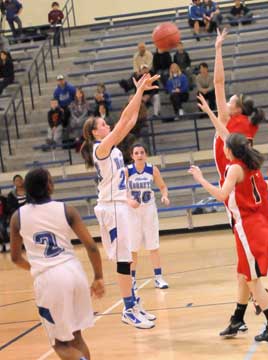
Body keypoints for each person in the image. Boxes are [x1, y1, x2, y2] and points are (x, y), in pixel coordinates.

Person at [81, 73, 160, 329]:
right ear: (95, 132)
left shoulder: (113, 148)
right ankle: (128, 309)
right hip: (111, 208)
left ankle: (133, 304)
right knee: (124, 260)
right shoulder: (100, 149)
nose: (107, 126)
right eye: (103, 125)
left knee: (129, 258)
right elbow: (125, 119)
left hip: (120, 205)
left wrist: (139, 94)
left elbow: (132, 119)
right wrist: (137, 92)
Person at [189, 95, 268, 342]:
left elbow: (223, 195)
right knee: (245, 274)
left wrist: (201, 180)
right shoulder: (248, 159)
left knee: (254, 280)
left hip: (248, 226)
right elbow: (225, 133)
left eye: (225, 144)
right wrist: (211, 114)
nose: (221, 145)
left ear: (230, 150)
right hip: (252, 223)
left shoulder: (235, 168)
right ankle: (237, 318)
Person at [10, 167, 105, 359]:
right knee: (77, 336)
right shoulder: (66, 209)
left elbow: (15, 258)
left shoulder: (17, 217)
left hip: (49, 280)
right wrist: (98, 277)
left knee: (60, 344)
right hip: (74, 273)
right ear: (49, 186)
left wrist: (34, 268)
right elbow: (92, 247)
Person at [212, 28, 266, 337]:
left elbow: (218, 83)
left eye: (231, 99)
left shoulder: (234, 125)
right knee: (243, 265)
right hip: (243, 190)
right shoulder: (240, 122)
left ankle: (261, 312)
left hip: (242, 193)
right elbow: (220, 84)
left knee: (251, 266)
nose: (227, 98)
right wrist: (218, 46)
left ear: (237, 109)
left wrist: (218, 48)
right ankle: (238, 316)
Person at [126, 144, 170, 290]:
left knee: (153, 245)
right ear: (132, 156)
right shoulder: (127, 171)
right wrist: (129, 201)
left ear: (145, 155)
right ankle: (131, 280)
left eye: (142, 152)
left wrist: (164, 196)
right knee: (133, 247)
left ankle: (158, 278)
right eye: (136, 153)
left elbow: (162, 186)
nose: (139, 155)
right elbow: (119, 190)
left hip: (149, 209)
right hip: (132, 212)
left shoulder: (152, 169)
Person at [53, 74, 76, 139]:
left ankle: (64, 126)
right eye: (59, 80)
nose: (60, 82)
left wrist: (72, 104)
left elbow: (75, 96)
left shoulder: (70, 87)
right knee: (59, 112)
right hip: (62, 106)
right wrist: (60, 108)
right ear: (57, 81)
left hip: (71, 105)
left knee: (67, 111)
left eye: (61, 80)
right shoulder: (56, 91)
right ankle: (62, 126)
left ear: (64, 80)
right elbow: (56, 101)